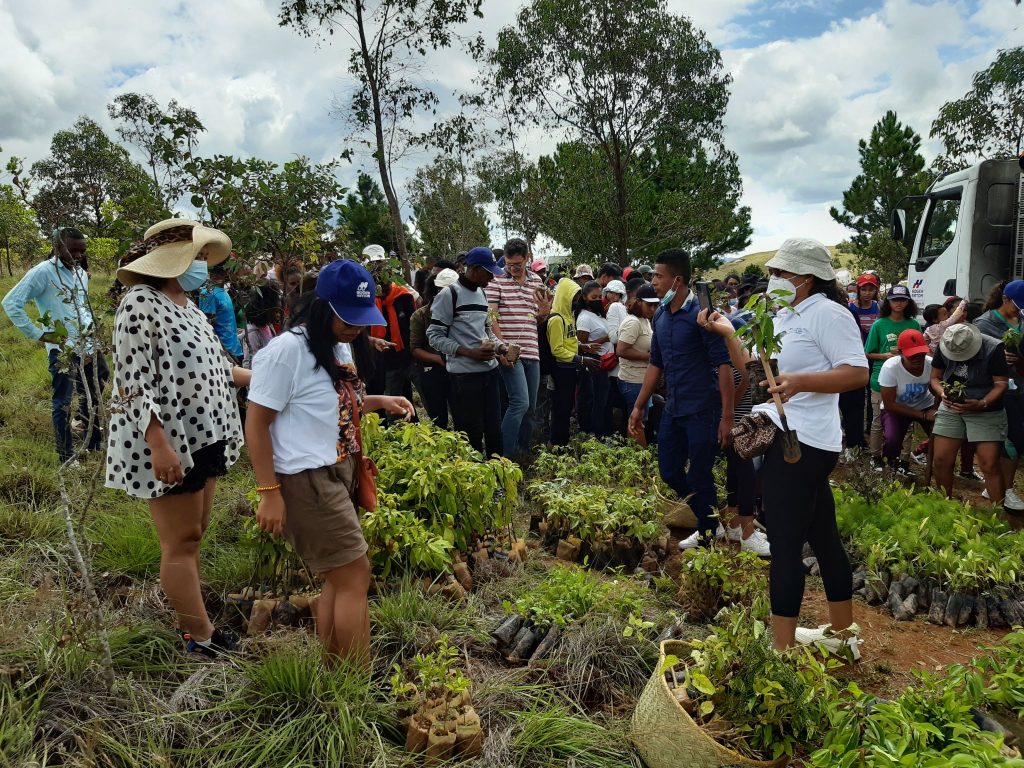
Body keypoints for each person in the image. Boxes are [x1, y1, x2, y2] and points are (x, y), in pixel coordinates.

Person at [702, 237, 868, 654]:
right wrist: (726, 332)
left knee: (786, 544)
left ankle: (780, 654)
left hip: (805, 442)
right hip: (793, 435)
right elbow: (754, 369)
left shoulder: (829, 314)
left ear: (805, 277)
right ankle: (844, 637)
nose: (772, 279)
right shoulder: (785, 315)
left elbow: (857, 372)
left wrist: (800, 382)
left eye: (779, 273)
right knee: (824, 534)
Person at [246, 259, 414, 663]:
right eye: (346, 318)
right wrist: (269, 492)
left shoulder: (337, 346)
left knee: (339, 579)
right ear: (321, 305)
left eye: (360, 319)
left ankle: (336, 669)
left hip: (338, 471)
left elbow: (330, 406)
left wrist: (376, 402)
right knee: (355, 574)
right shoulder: (287, 351)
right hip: (307, 478)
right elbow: (256, 424)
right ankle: (356, 682)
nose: (355, 327)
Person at [105, 218, 252, 657]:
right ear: (175, 258)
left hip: (205, 434)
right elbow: (132, 382)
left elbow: (217, 369)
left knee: (196, 533)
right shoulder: (139, 303)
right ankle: (200, 637)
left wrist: (265, 381)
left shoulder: (188, 305)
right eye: (200, 256)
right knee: (180, 541)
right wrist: (158, 442)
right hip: (172, 440)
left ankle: (190, 615)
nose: (204, 265)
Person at [627, 249, 734, 550]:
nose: (653, 282)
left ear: (677, 280)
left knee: (700, 473)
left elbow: (723, 365)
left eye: (658, 276)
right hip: (674, 407)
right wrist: (639, 405)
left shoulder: (702, 316)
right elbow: (655, 364)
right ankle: (709, 519)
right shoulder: (660, 315)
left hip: (703, 408)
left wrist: (727, 418)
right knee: (670, 471)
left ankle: (708, 535)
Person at [3, 227, 108, 463]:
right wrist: (41, 334)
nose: (78, 256)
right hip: (63, 349)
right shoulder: (42, 273)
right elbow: (11, 303)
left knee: (96, 386)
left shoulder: (80, 273)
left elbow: (81, 308)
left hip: (88, 343)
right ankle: (66, 456)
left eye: (82, 251)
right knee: (63, 402)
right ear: (58, 247)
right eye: (73, 251)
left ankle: (92, 441)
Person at [427, 247, 507, 455]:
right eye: (489, 272)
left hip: (489, 373)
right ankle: (474, 482)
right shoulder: (449, 294)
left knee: (494, 431)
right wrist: (467, 352)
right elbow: (434, 336)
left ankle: (497, 480)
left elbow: (487, 331)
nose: (491, 278)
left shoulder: (482, 293)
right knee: (470, 434)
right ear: (476, 269)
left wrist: (501, 347)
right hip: (464, 377)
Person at [929, 323, 1010, 505]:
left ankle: (996, 516)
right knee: (941, 459)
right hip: (951, 406)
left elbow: (1001, 383)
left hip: (986, 407)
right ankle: (944, 506)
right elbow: (935, 377)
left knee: (989, 464)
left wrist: (982, 403)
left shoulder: (993, 348)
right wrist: (942, 393)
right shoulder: (947, 343)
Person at [487, 237, 549, 459]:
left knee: (530, 407)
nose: (512, 268)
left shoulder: (537, 282)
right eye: (509, 264)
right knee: (519, 402)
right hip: (510, 351)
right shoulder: (496, 280)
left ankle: (523, 452)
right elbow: (492, 316)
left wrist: (543, 312)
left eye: (518, 265)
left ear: (527, 259)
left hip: (532, 349)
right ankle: (503, 456)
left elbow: (539, 319)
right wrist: (502, 347)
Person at [974, 280, 1024, 510]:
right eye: (1017, 305)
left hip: (1020, 388)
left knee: (1016, 438)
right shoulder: (984, 324)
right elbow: (972, 357)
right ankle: (1005, 489)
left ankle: (999, 485)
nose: (1019, 310)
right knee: (1008, 440)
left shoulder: (1021, 320)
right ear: (1004, 299)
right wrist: (997, 359)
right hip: (998, 391)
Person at [864, 285, 920, 468]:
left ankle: (903, 460)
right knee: (878, 420)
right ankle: (875, 456)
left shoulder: (914, 324)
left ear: (908, 302)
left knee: (907, 422)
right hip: (881, 378)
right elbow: (867, 353)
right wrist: (885, 356)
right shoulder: (879, 325)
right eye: (895, 300)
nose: (899, 303)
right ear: (888, 301)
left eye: (903, 300)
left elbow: (919, 351)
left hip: (907, 378)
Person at [364, 244, 417, 410]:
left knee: (405, 397)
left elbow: (412, 324)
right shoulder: (364, 298)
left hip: (404, 356)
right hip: (376, 359)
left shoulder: (403, 295)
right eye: (372, 265)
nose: (377, 269)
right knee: (382, 400)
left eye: (379, 264)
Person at [878, 329, 936, 474]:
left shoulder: (932, 364)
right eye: (912, 355)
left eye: (921, 354)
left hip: (926, 405)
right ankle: (889, 468)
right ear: (900, 352)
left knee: (942, 437)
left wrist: (934, 409)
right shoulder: (890, 368)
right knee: (892, 440)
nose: (918, 358)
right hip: (897, 408)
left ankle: (936, 463)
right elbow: (890, 404)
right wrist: (921, 415)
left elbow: (939, 389)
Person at [547, 278, 596, 445]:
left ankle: (564, 442)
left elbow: (569, 340)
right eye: (573, 298)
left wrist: (583, 346)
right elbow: (557, 349)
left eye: (577, 299)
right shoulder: (556, 319)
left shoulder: (569, 317)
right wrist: (581, 359)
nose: (575, 302)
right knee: (561, 409)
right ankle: (557, 444)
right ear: (565, 297)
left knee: (567, 407)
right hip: (561, 369)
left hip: (570, 368)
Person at [410, 269, 460, 427]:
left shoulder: (461, 315)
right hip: (432, 371)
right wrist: (438, 359)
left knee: (462, 416)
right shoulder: (420, 316)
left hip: (459, 371)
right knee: (438, 419)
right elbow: (415, 348)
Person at [839, 273, 881, 453]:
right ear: (858, 290)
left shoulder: (879, 308)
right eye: (864, 289)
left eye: (871, 289)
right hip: (855, 356)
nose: (867, 293)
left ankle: (871, 426)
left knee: (873, 392)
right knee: (855, 396)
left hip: (874, 355)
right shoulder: (850, 310)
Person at [615, 284, 659, 430]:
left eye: (655, 305)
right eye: (649, 305)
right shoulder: (633, 322)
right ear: (639, 302)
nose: (652, 309)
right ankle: (634, 451)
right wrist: (647, 356)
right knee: (636, 423)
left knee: (641, 421)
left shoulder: (644, 320)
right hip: (633, 381)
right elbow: (621, 350)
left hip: (643, 380)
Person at [575, 280, 613, 436]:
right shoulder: (584, 318)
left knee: (604, 401)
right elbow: (581, 344)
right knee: (597, 401)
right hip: (594, 363)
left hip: (606, 363)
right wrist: (605, 338)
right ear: (585, 297)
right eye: (594, 297)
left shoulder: (598, 314)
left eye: (600, 296)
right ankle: (595, 433)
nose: (598, 299)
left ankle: (603, 432)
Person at [198, 264, 244, 362]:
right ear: (227, 271)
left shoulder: (223, 290)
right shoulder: (208, 293)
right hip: (224, 353)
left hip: (234, 349)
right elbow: (207, 325)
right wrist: (225, 352)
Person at [242, 282, 283, 369]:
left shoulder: (268, 325)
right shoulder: (252, 333)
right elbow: (249, 365)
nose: (278, 315)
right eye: (275, 312)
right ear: (265, 310)